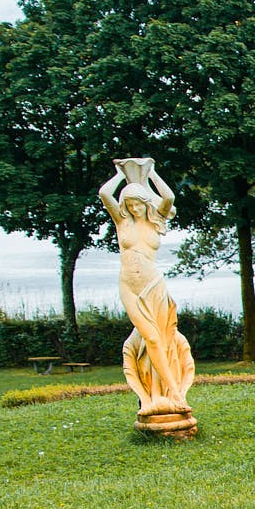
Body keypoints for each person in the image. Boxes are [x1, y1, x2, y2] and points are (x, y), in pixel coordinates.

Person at [99, 158, 196, 431]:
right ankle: (164, 394)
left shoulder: (156, 221)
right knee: (150, 337)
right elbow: (105, 194)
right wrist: (121, 175)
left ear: (145, 202)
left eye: (137, 203)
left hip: (153, 286)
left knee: (161, 339)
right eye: (128, 204)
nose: (133, 208)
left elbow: (169, 196)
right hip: (129, 284)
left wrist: (151, 174)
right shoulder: (122, 222)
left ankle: (170, 394)